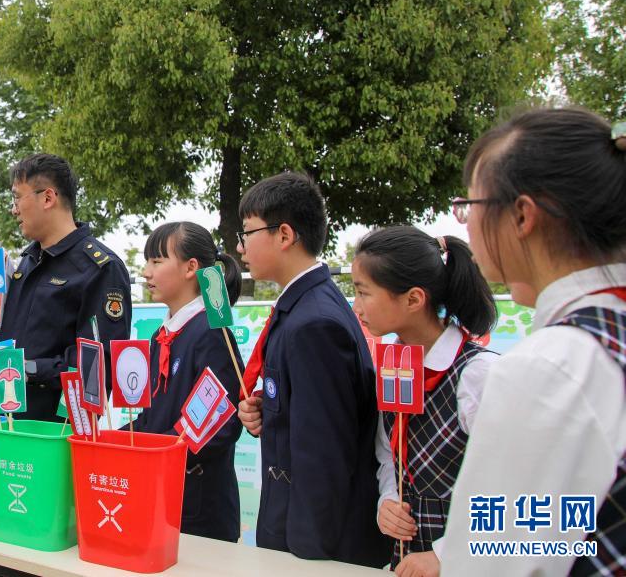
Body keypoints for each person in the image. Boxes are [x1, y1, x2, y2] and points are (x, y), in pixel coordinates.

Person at [441, 107, 626, 576]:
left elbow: (492, 559)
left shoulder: (549, 368)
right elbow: (579, 517)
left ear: (522, 215)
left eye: (472, 207)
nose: (467, 226)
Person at [235, 172, 390, 566]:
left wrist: (305, 559)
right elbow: (306, 422)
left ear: (284, 235)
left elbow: (323, 459)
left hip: (310, 547)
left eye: (248, 231)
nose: (240, 247)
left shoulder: (313, 323)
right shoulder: (302, 310)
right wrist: (268, 414)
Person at [351, 226, 497, 574]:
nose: (356, 307)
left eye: (363, 293)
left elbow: (517, 485)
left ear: (414, 299)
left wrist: (445, 553)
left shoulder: (479, 375)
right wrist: (388, 501)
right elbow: (389, 457)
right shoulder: (393, 367)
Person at [129, 221, 244, 542]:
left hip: (198, 511)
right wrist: (116, 440)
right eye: (147, 262)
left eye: (156, 261)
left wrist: (154, 453)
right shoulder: (160, 336)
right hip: (160, 496)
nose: (146, 273)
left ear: (191, 267)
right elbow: (152, 416)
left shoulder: (211, 332)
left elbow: (218, 427)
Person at [0, 153, 132, 421]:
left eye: (16, 198)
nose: (13, 210)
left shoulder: (100, 268)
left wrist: (31, 369)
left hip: (59, 433)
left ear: (48, 198)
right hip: (6, 423)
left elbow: (99, 364)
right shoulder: (24, 264)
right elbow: (5, 339)